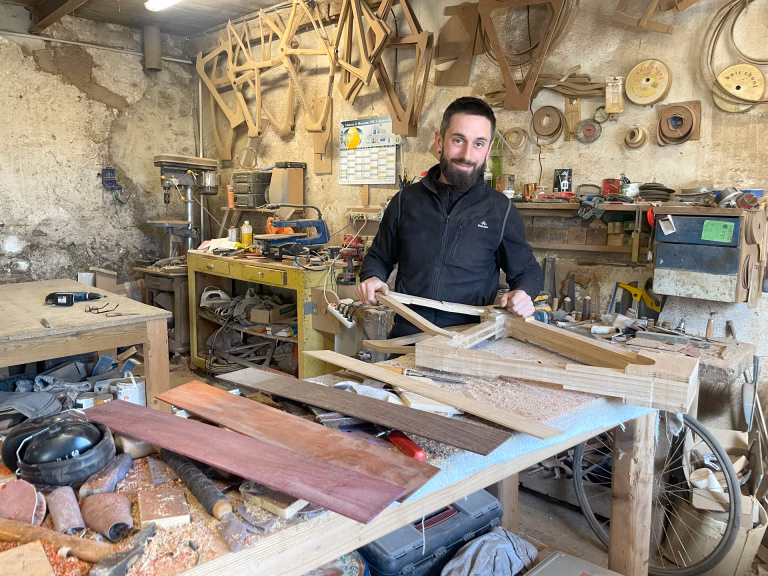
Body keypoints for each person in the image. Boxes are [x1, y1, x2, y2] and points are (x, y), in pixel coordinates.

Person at [355, 96, 543, 337]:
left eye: (478, 143)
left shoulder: (501, 210)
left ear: (488, 148)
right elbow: (378, 257)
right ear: (439, 140)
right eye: (458, 140)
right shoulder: (405, 201)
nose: (467, 154)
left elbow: (528, 271)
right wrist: (372, 277)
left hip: (468, 344)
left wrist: (525, 293)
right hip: (407, 340)